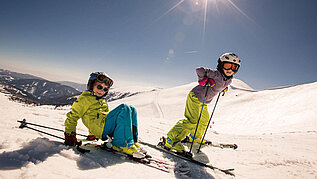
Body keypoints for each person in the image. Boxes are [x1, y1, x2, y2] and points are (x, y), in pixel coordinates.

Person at [164, 52, 241, 152]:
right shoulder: (215, 74)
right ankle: (171, 140)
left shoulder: (229, 80)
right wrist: (202, 80)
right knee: (192, 121)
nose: (230, 70)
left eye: (234, 68)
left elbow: (222, 84)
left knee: (204, 121)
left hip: (204, 102)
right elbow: (199, 70)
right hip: (195, 97)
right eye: (227, 66)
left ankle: (194, 138)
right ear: (221, 65)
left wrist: (223, 88)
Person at [64, 72, 144, 157]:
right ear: (91, 85)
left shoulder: (102, 101)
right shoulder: (84, 99)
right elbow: (73, 116)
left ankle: (132, 141)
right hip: (101, 129)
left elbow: (96, 117)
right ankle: (122, 145)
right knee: (124, 108)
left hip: (104, 128)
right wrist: (70, 134)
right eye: (99, 87)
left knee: (132, 109)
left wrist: (92, 135)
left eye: (105, 89)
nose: (102, 90)